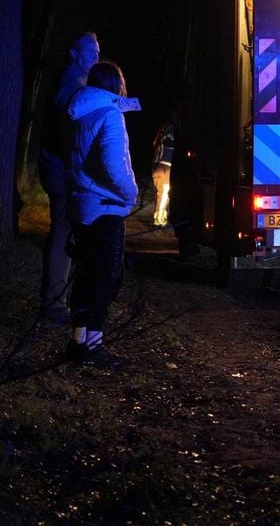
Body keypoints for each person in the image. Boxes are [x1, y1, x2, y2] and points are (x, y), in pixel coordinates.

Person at [64, 60, 140, 367]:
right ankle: (94, 347)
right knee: (105, 278)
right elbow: (113, 164)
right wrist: (131, 193)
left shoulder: (77, 113)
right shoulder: (109, 114)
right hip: (105, 208)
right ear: (116, 86)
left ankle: (78, 339)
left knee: (85, 275)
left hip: (82, 204)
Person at [35, 31, 100, 324]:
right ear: (74, 54)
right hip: (60, 169)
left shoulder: (79, 82)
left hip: (62, 167)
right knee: (63, 230)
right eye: (89, 52)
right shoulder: (71, 83)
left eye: (97, 52)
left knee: (66, 230)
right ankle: (54, 302)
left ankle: (57, 299)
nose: (95, 57)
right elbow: (70, 111)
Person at [150, 116, 176, 226]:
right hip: (165, 166)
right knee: (164, 193)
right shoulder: (171, 129)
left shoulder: (162, 129)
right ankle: (159, 219)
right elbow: (169, 142)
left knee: (160, 193)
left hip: (157, 165)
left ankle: (158, 216)